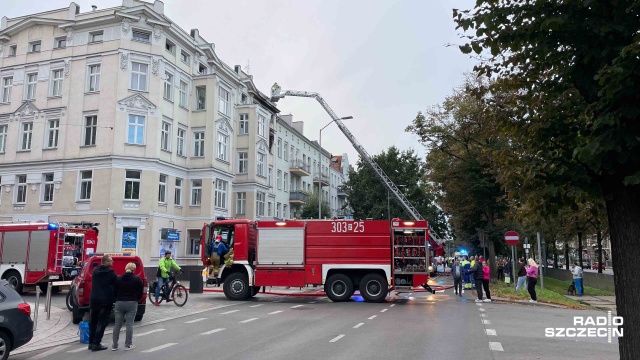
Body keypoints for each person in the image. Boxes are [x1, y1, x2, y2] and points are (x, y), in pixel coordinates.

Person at [112, 262, 143, 351]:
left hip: (119, 303)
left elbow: (114, 290)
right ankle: (128, 345)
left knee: (117, 324)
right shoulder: (137, 279)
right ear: (134, 269)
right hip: (132, 303)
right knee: (129, 324)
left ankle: (114, 345)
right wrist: (136, 299)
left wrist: (117, 299)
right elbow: (140, 292)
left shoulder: (118, 278)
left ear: (125, 268)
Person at [88, 255, 116, 351]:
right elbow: (115, 284)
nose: (112, 262)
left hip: (94, 299)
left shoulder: (95, 271)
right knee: (103, 321)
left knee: (93, 321)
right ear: (106, 262)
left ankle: (91, 343)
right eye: (111, 261)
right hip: (105, 300)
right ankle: (96, 343)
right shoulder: (111, 273)